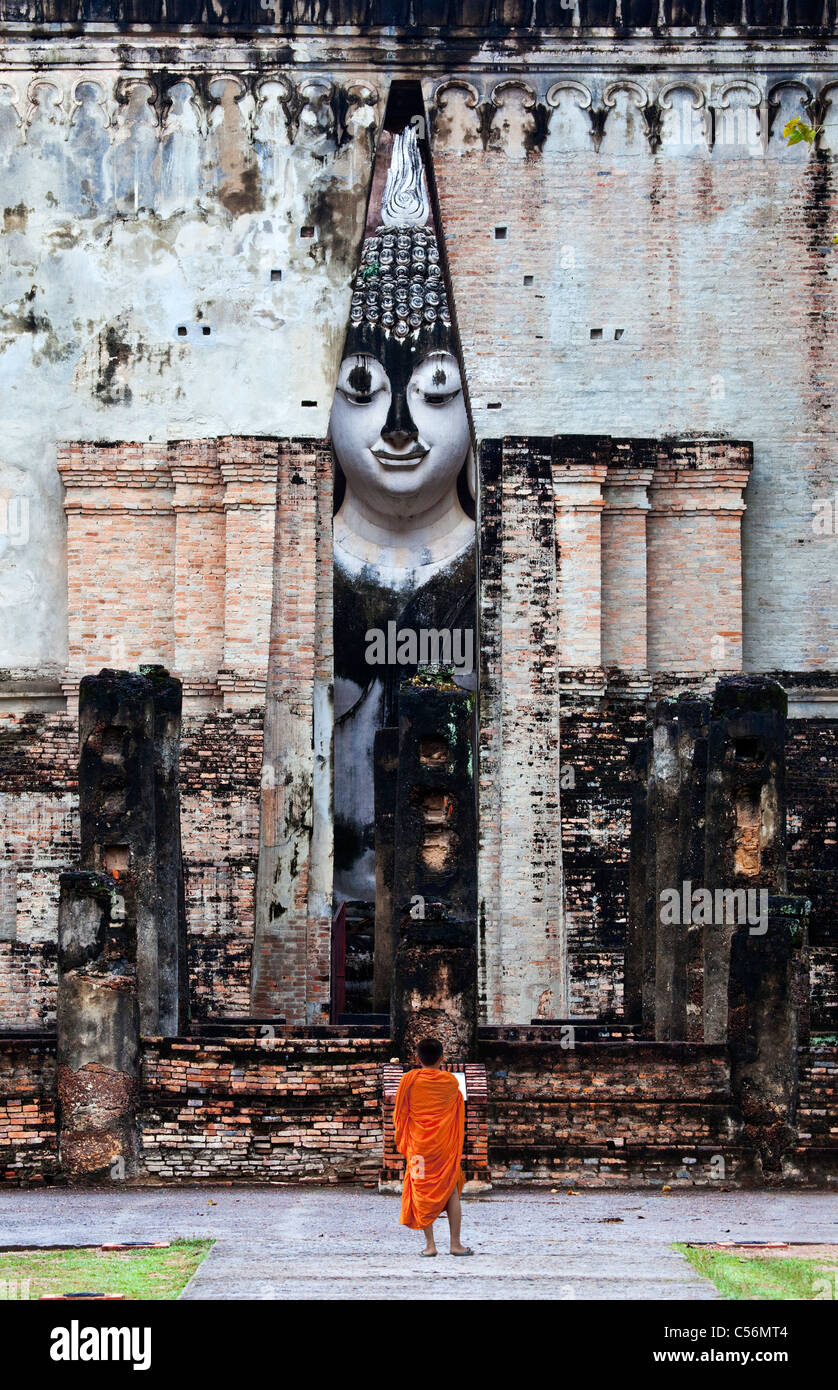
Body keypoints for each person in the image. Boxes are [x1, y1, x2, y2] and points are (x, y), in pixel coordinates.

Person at [393, 1036, 474, 1257]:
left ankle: (430, 1246)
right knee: (451, 1190)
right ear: (442, 1058)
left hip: (418, 1148)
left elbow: (400, 1113)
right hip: (444, 1149)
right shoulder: (450, 1083)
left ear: (417, 1058)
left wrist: (403, 1136)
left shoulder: (409, 1080)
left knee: (420, 1190)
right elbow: (457, 1109)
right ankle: (455, 1245)